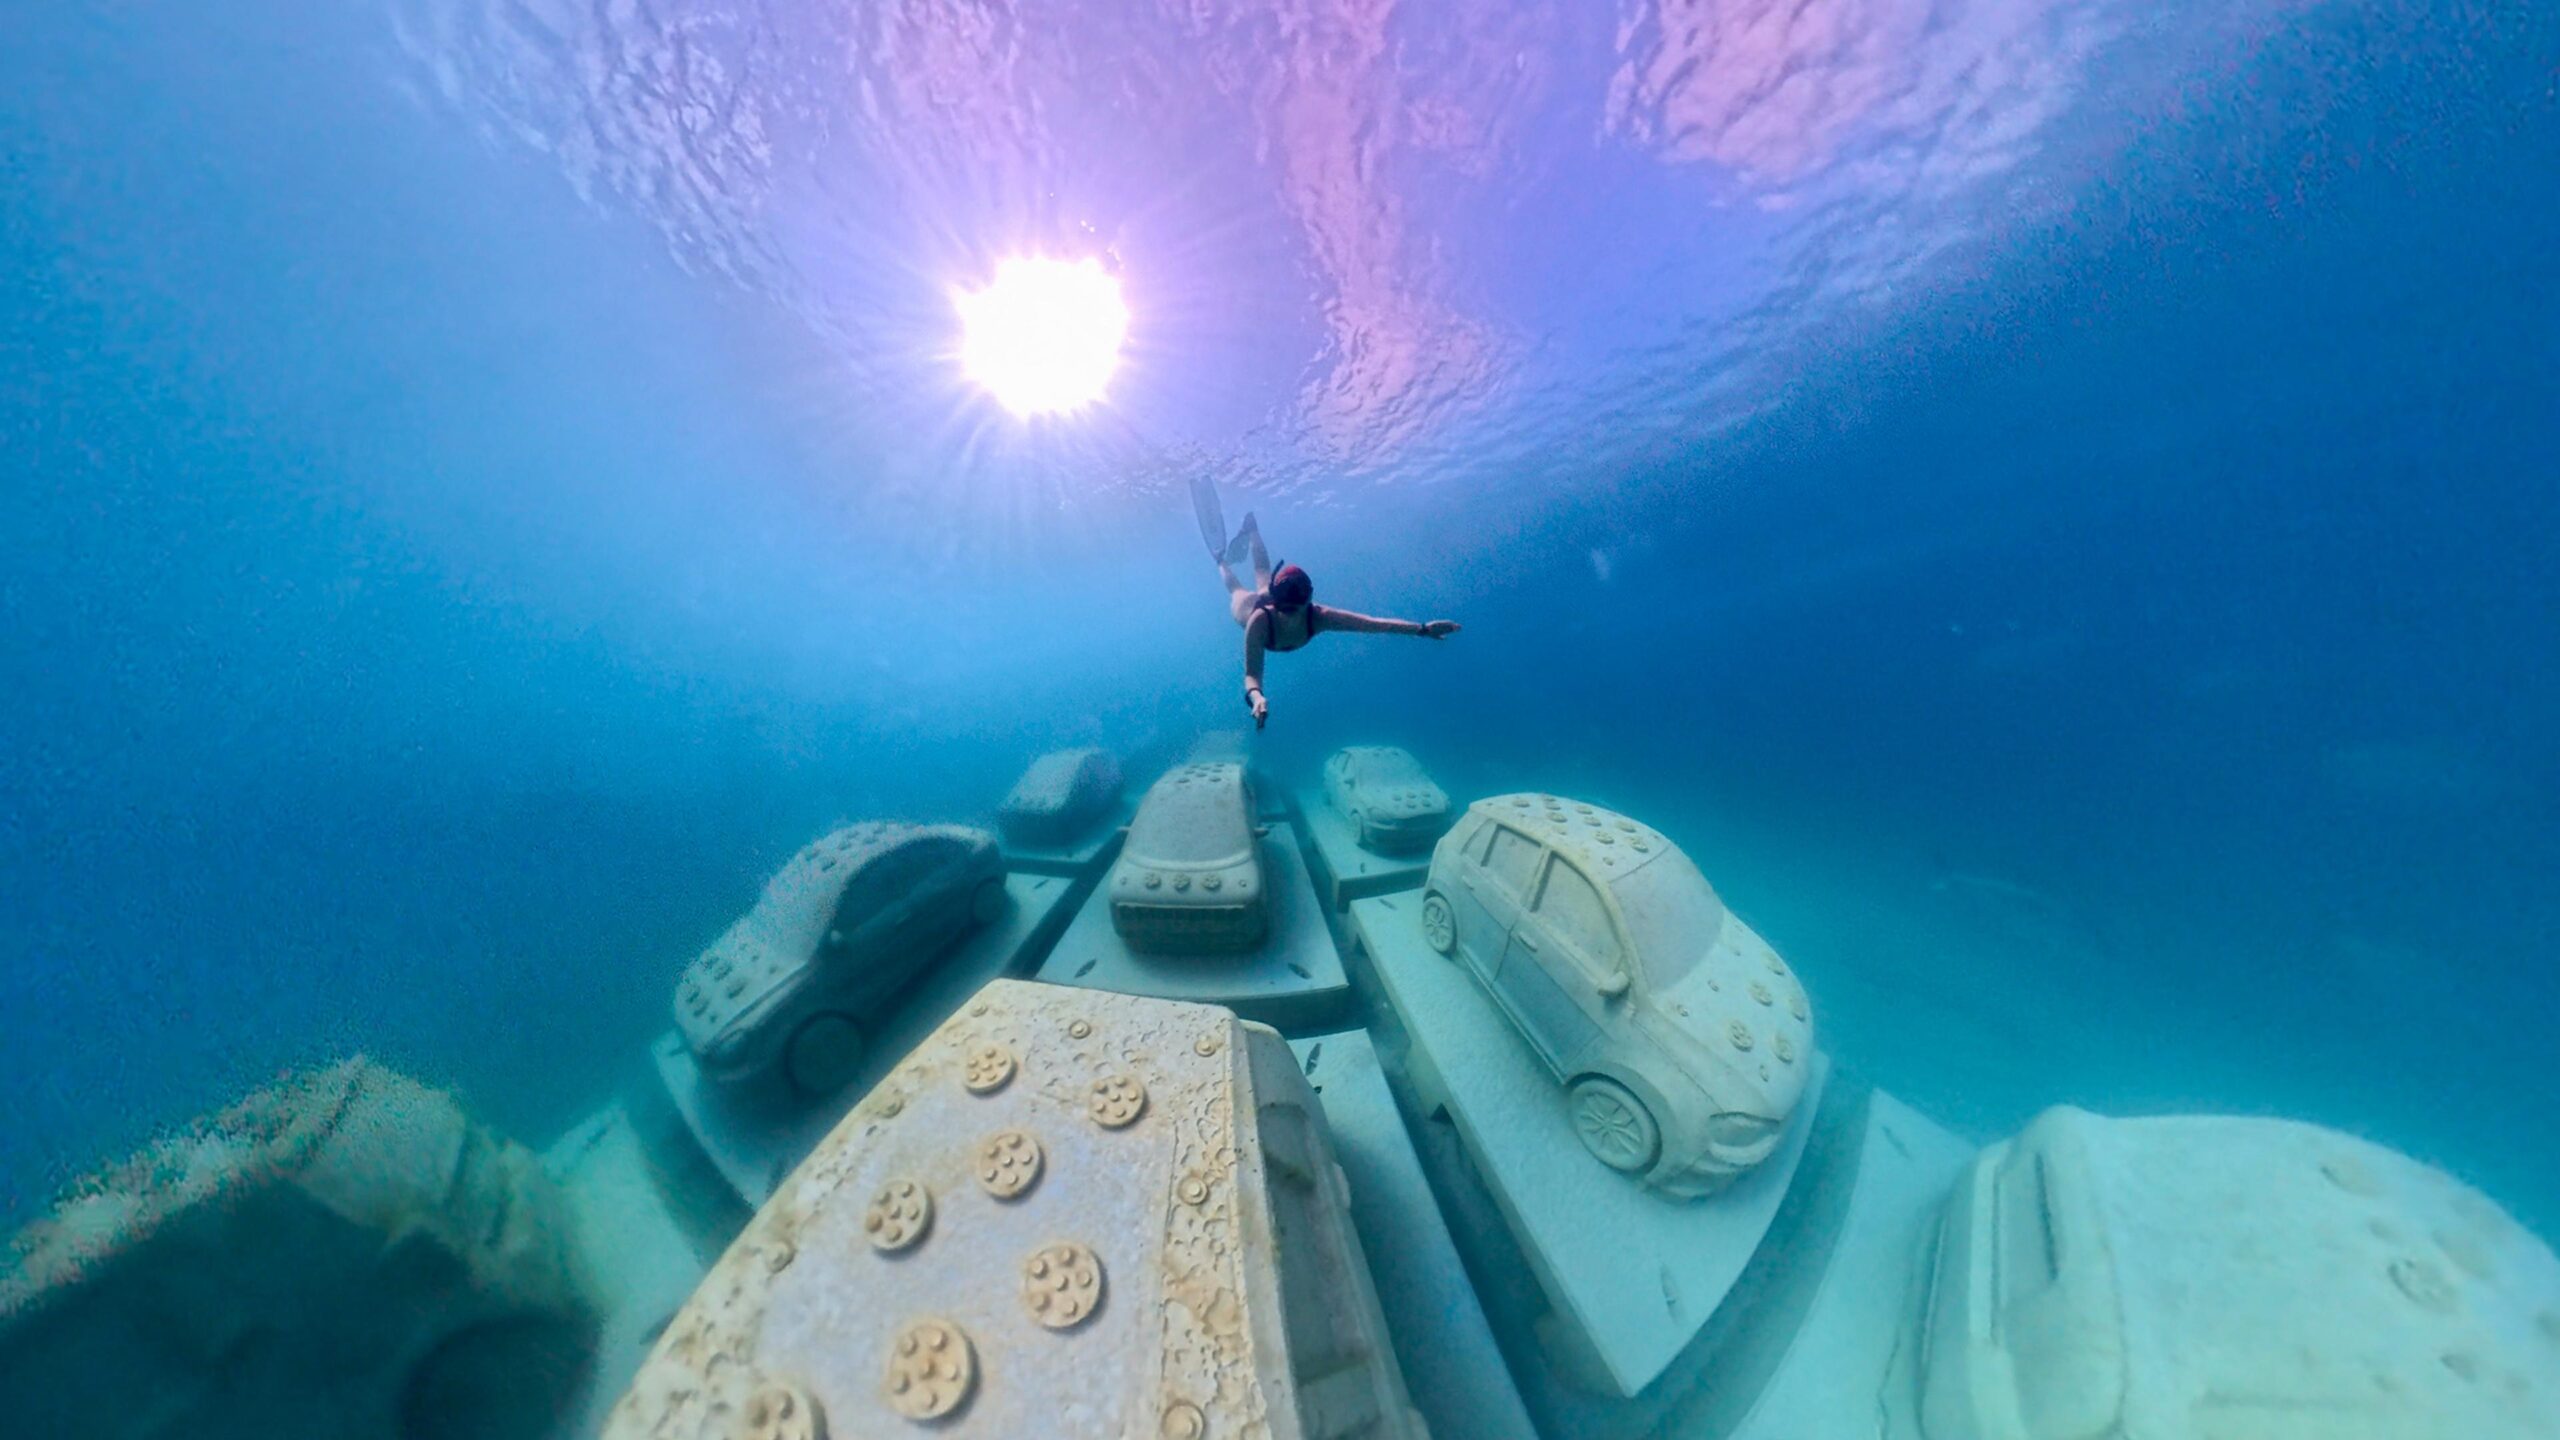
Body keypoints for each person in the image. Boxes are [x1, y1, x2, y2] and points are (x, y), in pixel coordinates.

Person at [1192, 478, 1460, 729]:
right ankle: (1220, 559)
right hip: (1252, 607)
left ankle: (1253, 531)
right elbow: (1252, 674)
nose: (1290, 615)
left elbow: (1374, 625)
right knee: (1236, 590)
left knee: (1263, 577)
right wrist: (1256, 697)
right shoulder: (1259, 621)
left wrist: (1423, 629)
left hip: (1271, 597)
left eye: (1294, 608)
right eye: (1286, 609)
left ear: (1308, 599)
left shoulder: (1319, 616)